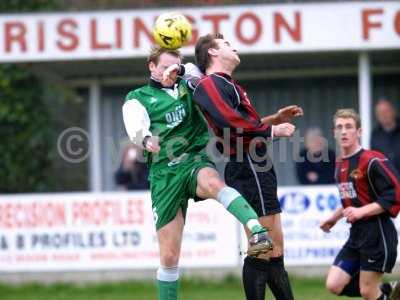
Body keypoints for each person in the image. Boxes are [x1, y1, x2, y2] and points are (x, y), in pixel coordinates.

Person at [122, 45, 294, 300]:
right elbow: (134, 123)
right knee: (169, 256)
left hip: (194, 160)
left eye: (173, 65)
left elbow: (203, 85)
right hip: (164, 173)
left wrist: (179, 70)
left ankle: (256, 229)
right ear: (151, 66)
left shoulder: (191, 86)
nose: (167, 71)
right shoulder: (139, 96)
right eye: (163, 66)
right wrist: (146, 140)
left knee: (214, 183)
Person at [192, 33, 302, 300]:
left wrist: (272, 119)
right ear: (214, 54)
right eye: (227, 44)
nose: (234, 47)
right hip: (248, 165)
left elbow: (237, 127)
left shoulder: (231, 85)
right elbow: (230, 124)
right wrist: (272, 130)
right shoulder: (210, 84)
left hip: (260, 165)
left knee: (274, 251)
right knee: (261, 246)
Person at [320, 108, 400, 300]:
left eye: (349, 126)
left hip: (377, 235)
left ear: (359, 132)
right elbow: (350, 201)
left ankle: (380, 292)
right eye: (339, 127)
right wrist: (333, 218)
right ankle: (388, 291)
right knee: (334, 284)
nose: (344, 131)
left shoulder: (372, 160)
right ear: (334, 133)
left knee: (367, 292)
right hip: (357, 236)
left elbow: (395, 193)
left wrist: (361, 212)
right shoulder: (340, 164)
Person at [371, 99, 400, 173]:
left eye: (386, 111)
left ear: (393, 111)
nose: (384, 115)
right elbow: (374, 160)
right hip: (388, 180)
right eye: (380, 113)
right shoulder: (375, 135)